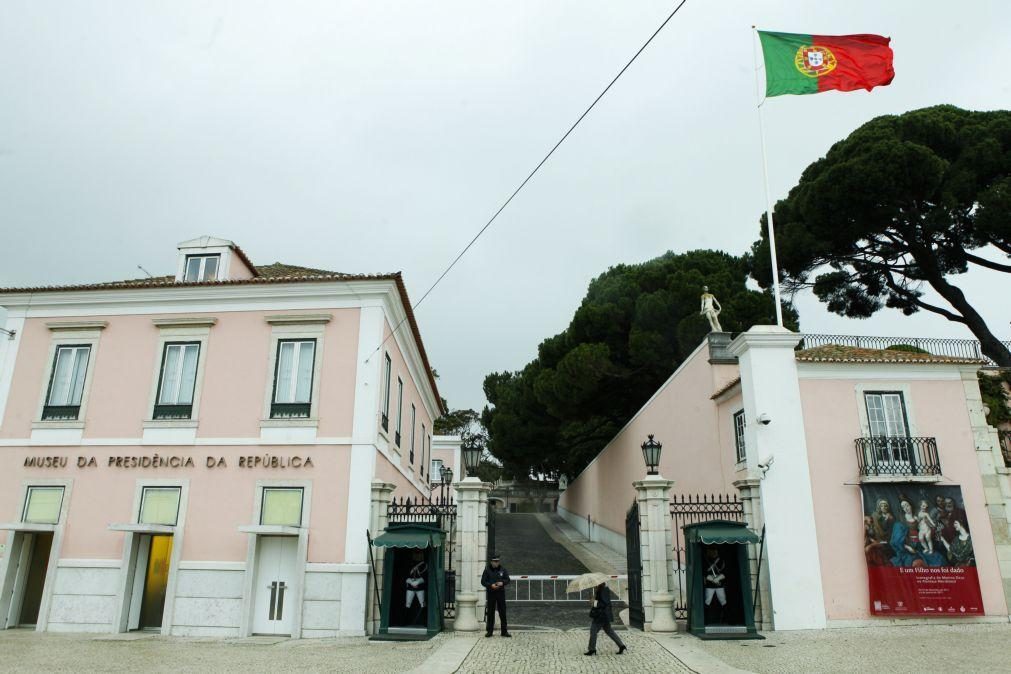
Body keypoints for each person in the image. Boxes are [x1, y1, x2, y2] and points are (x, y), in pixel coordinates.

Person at [584, 582, 626, 656]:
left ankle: (592, 649)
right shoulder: (603, 589)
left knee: (593, 631)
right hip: (605, 615)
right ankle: (621, 645)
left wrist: (594, 602)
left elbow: (603, 603)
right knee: (609, 631)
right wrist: (594, 599)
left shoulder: (602, 591)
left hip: (601, 615)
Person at [481, 554, 511, 637]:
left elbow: (507, 579)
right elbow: (483, 581)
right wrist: (491, 585)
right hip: (491, 593)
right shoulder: (487, 570)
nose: (496, 563)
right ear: (491, 562)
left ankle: (504, 631)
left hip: (500, 593)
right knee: (490, 612)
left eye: (497, 561)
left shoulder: (502, 569)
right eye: (494, 561)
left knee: (503, 612)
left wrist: (502, 583)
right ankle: (489, 631)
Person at [703, 546, 728, 623]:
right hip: (710, 585)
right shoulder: (706, 561)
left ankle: (725, 619)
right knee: (707, 601)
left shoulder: (721, 561)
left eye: (714, 551)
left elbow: (724, 572)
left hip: (719, 585)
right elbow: (705, 573)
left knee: (723, 601)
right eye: (711, 551)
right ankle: (706, 620)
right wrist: (713, 579)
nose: (713, 552)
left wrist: (718, 578)